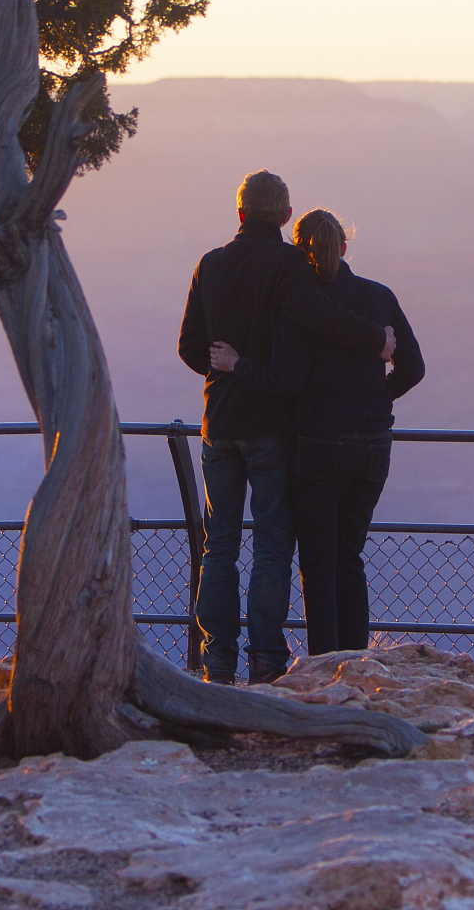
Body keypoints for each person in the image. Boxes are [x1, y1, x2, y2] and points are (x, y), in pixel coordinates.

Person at [176, 171, 395, 684]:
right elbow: (324, 316)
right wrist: (377, 342)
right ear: (285, 215)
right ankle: (267, 662)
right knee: (272, 546)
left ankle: (216, 664)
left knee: (218, 545)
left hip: (218, 425)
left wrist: (226, 370)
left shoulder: (210, 264)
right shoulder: (288, 264)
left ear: (240, 213)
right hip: (271, 426)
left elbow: (189, 348)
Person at [213, 210, 423, 658]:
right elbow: (414, 367)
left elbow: (284, 381)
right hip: (374, 443)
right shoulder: (379, 296)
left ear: (298, 249)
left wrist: (238, 364)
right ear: (344, 247)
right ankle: (358, 663)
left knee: (318, 562)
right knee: (349, 556)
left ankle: (326, 665)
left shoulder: (299, 307)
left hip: (318, 444)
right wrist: (376, 397)